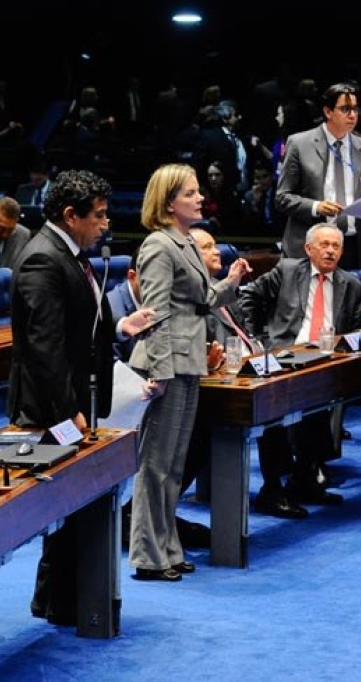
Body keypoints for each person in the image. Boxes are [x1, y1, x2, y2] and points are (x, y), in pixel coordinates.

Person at [7, 169, 154, 624]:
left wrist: (119, 327)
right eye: (99, 216)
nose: (105, 224)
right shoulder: (42, 258)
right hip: (51, 406)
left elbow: (80, 323)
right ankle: (58, 600)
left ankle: (55, 598)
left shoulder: (70, 254)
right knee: (64, 503)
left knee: (74, 503)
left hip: (74, 399)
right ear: (71, 215)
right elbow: (44, 346)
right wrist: (67, 410)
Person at [128, 163, 250, 582]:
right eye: (190, 193)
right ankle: (148, 555)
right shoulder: (158, 246)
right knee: (156, 465)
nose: (200, 198)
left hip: (188, 362)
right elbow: (156, 314)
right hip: (166, 366)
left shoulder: (183, 241)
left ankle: (168, 548)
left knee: (174, 466)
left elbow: (200, 300)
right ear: (168, 203)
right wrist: (160, 372)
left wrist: (231, 281)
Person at [238, 223, 361, 517]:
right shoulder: (286, 271)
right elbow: (249, 296)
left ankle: (305, 480)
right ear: (308, 249)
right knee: (273, 416)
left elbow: (357, 327)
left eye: (336, 246)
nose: (330, 251)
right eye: (324, 245)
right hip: (285, 356)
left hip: (325, 360)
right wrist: (258, 338)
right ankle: (272, 489)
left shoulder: (351, 284)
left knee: (317, 415)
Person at [275, 83, 361, 269]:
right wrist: (316, 207)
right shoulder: (299, 144)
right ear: (328, 112)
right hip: (312, 247)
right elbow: (282, 198)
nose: (353, 115)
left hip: (354, 247)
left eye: (355, 109)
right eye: (345, 109)